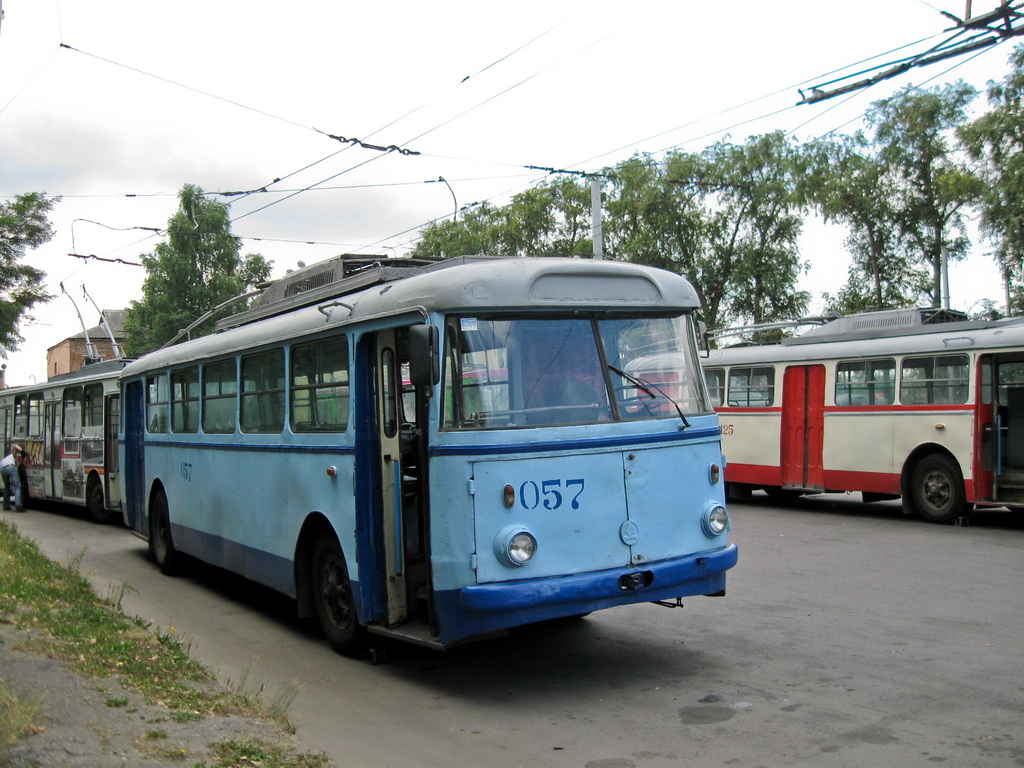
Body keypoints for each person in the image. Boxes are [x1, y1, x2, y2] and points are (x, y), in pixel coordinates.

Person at [2, 444, 26, 512]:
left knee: (7, 486)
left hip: (2, 468)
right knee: (17, 486)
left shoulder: (7, 458)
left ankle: (6, 505)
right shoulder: (12, 455)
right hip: (10, 467)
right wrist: (21, 450)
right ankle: (18, 505)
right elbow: (15, 446)